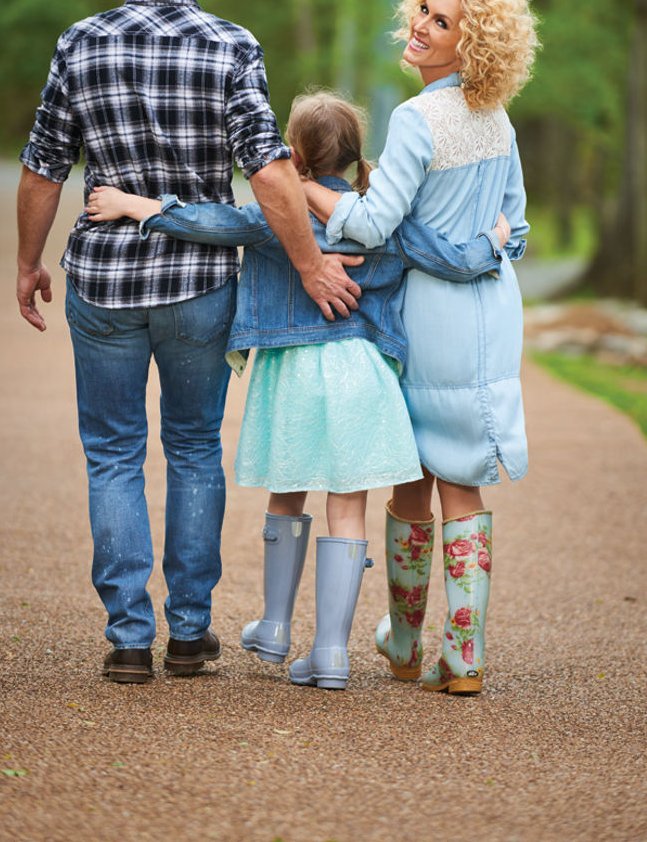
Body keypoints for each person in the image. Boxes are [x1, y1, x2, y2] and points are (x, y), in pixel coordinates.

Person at [16, 0, 365, 685]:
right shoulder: (231, 46)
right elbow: (272, 172)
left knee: (112, 452)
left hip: (102, 282)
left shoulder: (81, 43)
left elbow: (44, 164)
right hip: (197, 290)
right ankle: (190, 632)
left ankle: (128, 636)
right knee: (193, 447)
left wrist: (26, 260)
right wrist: (310, 262)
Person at [86, 89, 511, 690]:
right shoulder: (380, 220)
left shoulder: (275, 216)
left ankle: (276, 627)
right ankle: (332, 653)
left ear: (293, 153)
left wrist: (138, 204)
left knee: (287, 492)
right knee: (347, 501)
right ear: (357, 156)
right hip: (362, 372)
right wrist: (493, 242)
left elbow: (212, 224)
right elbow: (444, 257)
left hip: (292, 373)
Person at [302, 0, 539, 695]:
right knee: (462, 480)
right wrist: (491, 245)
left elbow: (372, 225)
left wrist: (305, 188)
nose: (421, 28)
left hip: (428, 312)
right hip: (493, 313)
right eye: (424, 12)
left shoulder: (415, 119)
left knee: (412, 477)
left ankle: (405, 642)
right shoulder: (496, 121)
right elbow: (518, 226)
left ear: (472, 46)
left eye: (442, 22)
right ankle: (461, 658)